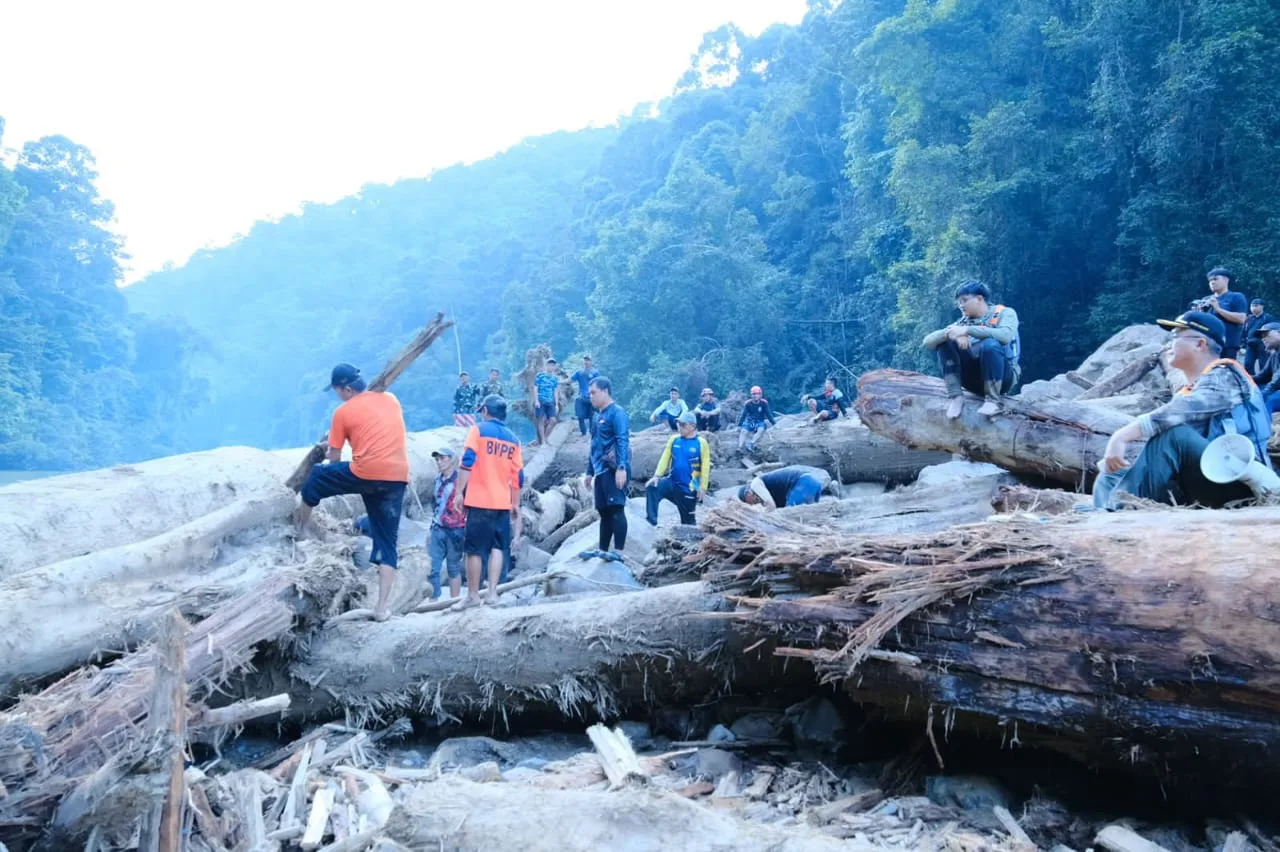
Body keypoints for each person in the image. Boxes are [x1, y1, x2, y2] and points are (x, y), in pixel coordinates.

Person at [1092, 312, 1272, 510]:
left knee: (1175, 435)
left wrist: (1121, 436)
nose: (1168, 345)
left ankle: (1122, 511)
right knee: (1112, 471)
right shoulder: (1196, 386)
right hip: (1206, 479)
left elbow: (1176, 414)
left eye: (1176, 337)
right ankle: (1103, 513)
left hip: (1242, 483)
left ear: (1199, 344)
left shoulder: (1225, 376)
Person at [296, 363, 409, 621]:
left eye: (337, 390)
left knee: (317, 477)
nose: (337, 395)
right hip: (397, 476)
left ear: (346, 389)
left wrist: (329, 449)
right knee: (387, 541)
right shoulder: (391, 399)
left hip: (367, 471)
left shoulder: (343, 412)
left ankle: (300, 528)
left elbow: (334, 460)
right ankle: (382, 609)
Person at [451, 395, 524, 607]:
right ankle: (492, 594)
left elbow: (467, 461)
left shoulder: (478, 430)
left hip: (480, 499)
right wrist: (515, 503)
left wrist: (459, 492)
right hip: (502, 501)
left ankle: (473, 596)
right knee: (497, 547)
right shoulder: (513, 439)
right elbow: (517, 475)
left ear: (485, 411)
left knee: (473, 549)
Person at [922, 280, 1021, 419]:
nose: (961, 306)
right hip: (973, 381)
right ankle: (955, 397)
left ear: (980, 299)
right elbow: (928, 342)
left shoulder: (1005, 313)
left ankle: (993, 401)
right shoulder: (961, 323)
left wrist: (967, 331)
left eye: (964, 300)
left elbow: (1005, 336)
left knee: (991, 344)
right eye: (959, 302)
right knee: (944, 343)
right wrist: (950, 334)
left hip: (1003, 378)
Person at [584, 376, 631, 555]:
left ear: (605, 391)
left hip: (613, 469)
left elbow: (622, 440)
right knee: (603, 511)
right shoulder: (597, 416)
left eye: (593, 392)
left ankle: (619, 552)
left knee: (616, 508)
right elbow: (594, 444)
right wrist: (589, 471)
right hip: (600, 470)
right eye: (589, 393)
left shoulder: (617, 413)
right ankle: (602, 550)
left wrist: (621, 467)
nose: (591, 396)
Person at [645, 411, 711, 526]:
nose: (679, 427)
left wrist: (703, 487)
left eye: (683, 425)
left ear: (693, 427)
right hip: (672, 483)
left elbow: (705, 467)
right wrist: (657, 475)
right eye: (678, 424)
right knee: (653, 487)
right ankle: (651, 523)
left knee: (688, 523)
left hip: (689, 488)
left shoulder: (701, 443)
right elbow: (665, 457)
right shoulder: (674, 440)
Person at [427, 447, 467, 600]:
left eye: (442, 458)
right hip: (438, 528)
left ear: (451, 459)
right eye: (437, 459)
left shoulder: (461, 481)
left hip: (456, 529)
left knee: (453, 567)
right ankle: (434, 599)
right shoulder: (437, 480)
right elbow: (435, 504)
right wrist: (431, 528)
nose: (439, 462)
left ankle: (454, 601)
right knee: (432, 567)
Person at [1193, 267, 1248, 361]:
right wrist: (1200, 313)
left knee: (1225, 372)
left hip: (1228, 345)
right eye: (1210, 280)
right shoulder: (1206, 299)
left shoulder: (1236, 297)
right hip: (1208, 344)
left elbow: (1241, 319)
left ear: (1226, 280)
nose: (1212, 282)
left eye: (1215, 279)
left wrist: (1218, 309)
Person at [736, 465, 832, 510]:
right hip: (812, 483)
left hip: (802, 483)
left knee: (790, 517)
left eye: (749, 502)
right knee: (809, 517)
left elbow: (771, 506)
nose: (753, 504)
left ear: (747, 493)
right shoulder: (767, 494)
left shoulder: (755, 484)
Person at [1248, 322, 1280, 415]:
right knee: (1253, 389)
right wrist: (1244, 379)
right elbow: (1263, 376)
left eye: (1266, 334)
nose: (1263, 339)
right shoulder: (1275, 353)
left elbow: (1277, 380)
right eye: (1261, 336)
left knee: (1267, 399)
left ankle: (1262, 429)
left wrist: (1264, 394)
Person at [738, 386, 777, 451]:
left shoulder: (764, 403)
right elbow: (743, 415)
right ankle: (739, 447)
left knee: (761, 430)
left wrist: (774, 424)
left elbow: (768, 414)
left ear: (760, 395)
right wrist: (739, 425)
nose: (756, 396)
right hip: (750, 421)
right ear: (751, 395)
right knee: (743, 431)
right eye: (754, 394)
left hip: (759, 421)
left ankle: (751, 443)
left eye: (757, 394)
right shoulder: (748, 404)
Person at [533, 358, 561, 446]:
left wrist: (556, 404)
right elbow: (535, 388)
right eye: (550, 365)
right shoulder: (540, 375)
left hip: (550, 401)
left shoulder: (554, 378)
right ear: (546, 365)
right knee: (541, 420)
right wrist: (536, 400)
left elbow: (556, 391)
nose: (551, 367)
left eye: (553, 365)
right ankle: (543, 441)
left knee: (553, 420)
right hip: (541, 400)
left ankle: (546, 437)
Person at [570, 356, 600, 436]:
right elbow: (571, 380)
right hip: (582, 397)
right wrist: (559, 382)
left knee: (592, 416)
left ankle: (591, 432)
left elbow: (599, 384)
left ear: (591, 361)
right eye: (585, 360)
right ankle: (583, 432)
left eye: (588, 360)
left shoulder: (595, 372)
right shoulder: (579, 372)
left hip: (592, 397)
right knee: (580, 415)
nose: (586, 362)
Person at [1243, 300, 1274, 376]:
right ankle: (1251, 381)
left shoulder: (1267, 317)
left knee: (1263, 365)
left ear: (1262, 306)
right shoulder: (1249, 318)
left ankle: (1264, 382)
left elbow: (1272, 331)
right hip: (1250, 344)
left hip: (1262, 344)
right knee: (1247, 364)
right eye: (1252, 306)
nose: (1253, 308)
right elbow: (1244, 330)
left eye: (1256, 305)